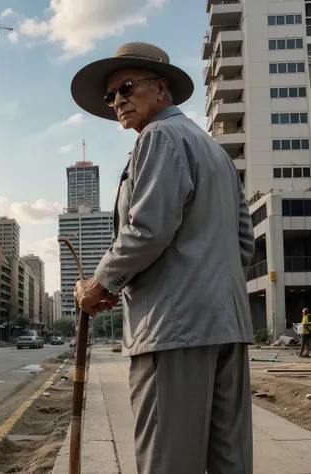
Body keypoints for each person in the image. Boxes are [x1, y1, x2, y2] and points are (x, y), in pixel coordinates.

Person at [71, 42, 255, 474]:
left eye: (127, 87)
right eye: (111, 95)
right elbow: (243, 242)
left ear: (161, 89)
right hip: (226, 326)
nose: (118, 100)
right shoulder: (213, 150)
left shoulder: (159, 136)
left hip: (173, 333)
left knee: (167, 461)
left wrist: (100, 285)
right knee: (229, 460)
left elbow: (147, 230)